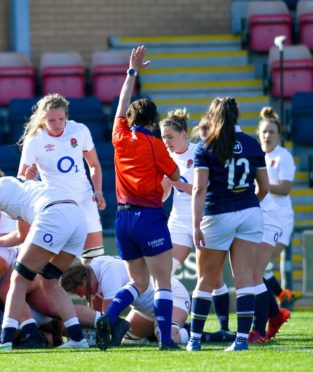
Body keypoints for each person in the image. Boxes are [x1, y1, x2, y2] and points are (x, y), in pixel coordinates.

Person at [95, 46, 180, 351]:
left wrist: (132, 71)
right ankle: (167, 341)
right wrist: (194, 189)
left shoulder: (119, 137)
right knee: (162, 282)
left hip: (122, 219)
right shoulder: (156, 145)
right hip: (149, 217)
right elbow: (175, 178)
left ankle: (110, 316)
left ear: (130, 119)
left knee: (138, 283)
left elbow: (120, 104)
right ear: (154, 121)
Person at [0, 161, 89, 350]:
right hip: (76, 218)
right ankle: (78, 338)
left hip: (53, 214)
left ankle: (5, 340)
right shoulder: (17, 186)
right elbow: (20, 236)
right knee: (49, 281)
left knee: (18, 278)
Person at [187, 97, 269, 352]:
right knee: (244, 280)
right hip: (250, 213)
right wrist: (245, 205)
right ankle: (241, 341)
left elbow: (199, 189)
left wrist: (195, 224)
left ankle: (195, 340)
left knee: (206, 280)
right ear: (237, 116)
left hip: (217, 214)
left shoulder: (206, 146)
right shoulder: (252, 144)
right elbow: (264, 188)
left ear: (212, 117)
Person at [161, 112, 233, 338]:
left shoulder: (200, 153)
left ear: (184, 134)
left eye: (170, 136)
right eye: (163, 137)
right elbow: (163, 194)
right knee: (164, 271)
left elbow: (205, 190)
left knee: (214, 276)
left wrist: (177, 185)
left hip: (205, 219)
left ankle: (223, 328)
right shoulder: (165, 158)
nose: (166, 142)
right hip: (179, 222)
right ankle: (169, 321)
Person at [17, 93, 106, 260]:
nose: (57, 124)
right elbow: (21, 178)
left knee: (95, 259)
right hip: (56, 205)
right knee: (58, 263)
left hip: (84, 199)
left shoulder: (80, 131)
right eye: (51, 120)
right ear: (42, 120)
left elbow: (94, 164)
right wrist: (29, 176)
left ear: (66, 116)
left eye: (60, 119)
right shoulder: (35, 140)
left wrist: (98, 191)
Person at [60, 257, 189, 345]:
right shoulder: (93, 272)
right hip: (144, 311)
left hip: (172, 296)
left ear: (83, 279)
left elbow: (109, 317)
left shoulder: (108, 273)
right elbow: (98, 314)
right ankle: (158, 329)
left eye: (77, 291)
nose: (81, 295)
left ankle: (190, 331)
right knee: (128, 340)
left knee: (167, 338)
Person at [254, 107, 293, 340]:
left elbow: (286, 188)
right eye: (264, 132)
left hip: (280, 220)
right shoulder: (258, 155)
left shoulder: (283, 156)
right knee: (260, 269)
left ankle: (268, 318)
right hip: (260, 218)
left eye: (271, 131)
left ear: (278, 135)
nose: (267, 136)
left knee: (257, 269)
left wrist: (262, 185)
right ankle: (278, 306)